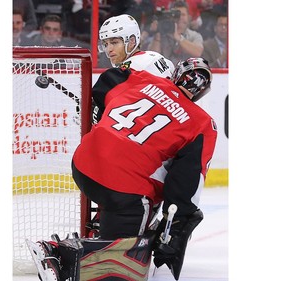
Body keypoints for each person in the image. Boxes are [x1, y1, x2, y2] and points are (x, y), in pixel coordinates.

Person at [27, 57, 218, 281]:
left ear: (176, 75)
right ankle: (58, 254)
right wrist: (174, 227)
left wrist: (102, 108)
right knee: (128, 257)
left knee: (127, 192)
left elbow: (110, 78)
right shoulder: (202, 123)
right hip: (124, 189)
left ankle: (96, 235)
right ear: (202, 92)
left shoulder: (144, 80)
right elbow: (185, 183)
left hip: (84, 163)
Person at [97, 14, 175, 79]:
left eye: (114, 42)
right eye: (106, 44)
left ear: (131, 41)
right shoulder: (157, 56)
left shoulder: (128, 71)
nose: (109, 49)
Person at [148, 0, 204, 65]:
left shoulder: (194, 35)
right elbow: (152, 57)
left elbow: (198, 52)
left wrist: (178, 37)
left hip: (187, 72)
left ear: (188, 17)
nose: (180, 18)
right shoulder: (162, 34)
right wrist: (158, 33)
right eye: (176, 15)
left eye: (183, 15)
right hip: (166, 72)